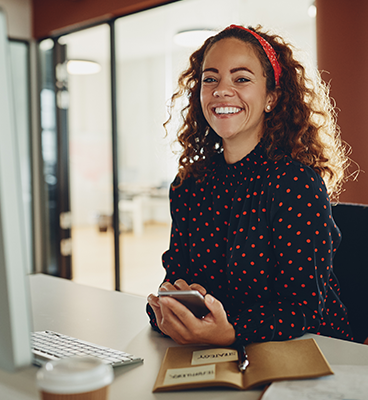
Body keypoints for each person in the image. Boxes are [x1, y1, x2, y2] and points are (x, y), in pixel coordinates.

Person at [147, 24, 353, 347]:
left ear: (271, 97)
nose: (221, 90)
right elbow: (173, 279)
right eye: (210, 79)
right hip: (217, 352)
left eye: (241, 78)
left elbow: (304, 309)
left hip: (313, 352)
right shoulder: (189, 185)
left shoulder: (295, 183)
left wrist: (231, 331)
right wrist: (167, 306)